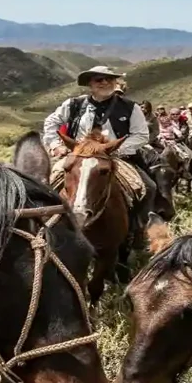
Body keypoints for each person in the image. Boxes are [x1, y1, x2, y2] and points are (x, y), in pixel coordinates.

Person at [42, 65, 156, 249]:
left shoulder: (130, 108)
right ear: (90, 84)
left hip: (114, 156)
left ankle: (135, 231)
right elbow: (51, 122)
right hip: (77, 154)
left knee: (149, 187)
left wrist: (117, 149)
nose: (104, 82)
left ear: (115, 82)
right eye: (98, 79)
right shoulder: (74, 104)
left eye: (109, 79)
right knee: (45, 185)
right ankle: (44, 227)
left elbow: (141, 134)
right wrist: (55, 145)